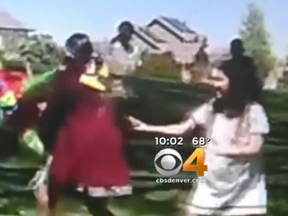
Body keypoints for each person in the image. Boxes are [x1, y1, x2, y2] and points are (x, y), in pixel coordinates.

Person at [129, 64, 269, 215]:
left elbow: (254, 149)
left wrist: (220, 150)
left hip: (242, 187)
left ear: (237, 82)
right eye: (213, 80)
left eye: (219, 80)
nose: (214, 85)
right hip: (210, 183)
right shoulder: (211, 107)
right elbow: (183, 129)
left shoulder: (253, 111)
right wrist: (146, 128)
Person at [36, 33, 132, 216]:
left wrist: (46, 135)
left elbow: (53, 114)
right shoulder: (104, 80)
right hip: (104, 147)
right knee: (96, 205)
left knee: (47, 194)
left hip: (75, 143)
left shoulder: (67, 79)